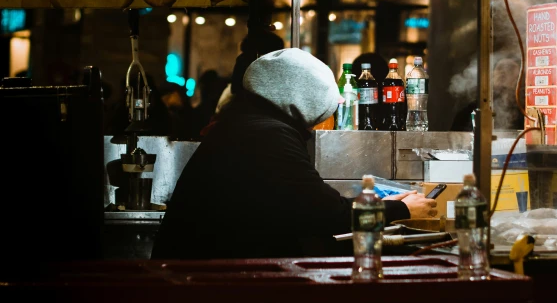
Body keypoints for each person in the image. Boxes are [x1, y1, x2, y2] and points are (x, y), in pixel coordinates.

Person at [152, 48, 437, 259]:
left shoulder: (247, 123)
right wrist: (403, 210)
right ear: (305, 100)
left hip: (206, 274)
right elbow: (325, 214)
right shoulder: (266, 135)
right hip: (206, 286)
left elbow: (307, 200)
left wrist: (373, 201)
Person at [451, 58, 524, 131]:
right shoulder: (473, 99)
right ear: (492, 74)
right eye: (501, 72)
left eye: (510, 71)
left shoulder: (519, 106)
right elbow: (459, 128)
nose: (502, 75)